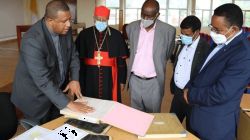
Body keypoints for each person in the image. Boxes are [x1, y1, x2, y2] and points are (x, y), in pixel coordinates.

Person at [11, 0, 93, 126]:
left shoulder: (65, 30)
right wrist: (69, 103)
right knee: (40, 132)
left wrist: (75, 79)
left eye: (69, 19)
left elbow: (73, 56)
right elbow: (43, 81)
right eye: (64, 21)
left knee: (56, 127)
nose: (68, 25)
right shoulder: (32, 41)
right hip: (35, 97)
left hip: (56, 91)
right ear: (50, 20)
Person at [183, 3, 250, 140]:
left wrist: (191, 94)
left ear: (234, 29)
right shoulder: (221, 41)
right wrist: (189, 86)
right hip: (199, 117)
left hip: (215, 127)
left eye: (217, 30)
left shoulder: (243, 54)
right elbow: (201, 71)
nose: (212, 32)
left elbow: (221, 93)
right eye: (211, 27)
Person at [126, 0, 176, 113]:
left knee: (153, 115)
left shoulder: (168, 31)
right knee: (135, 114)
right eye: (143, 14)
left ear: (157, 15)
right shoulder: (131, 27)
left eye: (149, 16)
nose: (145, 18)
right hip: (134, 80)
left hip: (154, 82)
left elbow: (167, 54)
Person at [75, 6, 128, 102]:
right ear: (94, 18)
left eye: (104, 20)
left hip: (109, 77)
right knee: (88, 102)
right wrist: (75, 78)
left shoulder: (116, 35)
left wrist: (122, 80)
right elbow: (77, 59)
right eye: (98, 19)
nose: (101, 22)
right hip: (88, 75)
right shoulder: (84, 34)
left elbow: (121, 61)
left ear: (108, 19)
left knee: (108, 104)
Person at [170, 15, 210, 132]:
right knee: (171, 125)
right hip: (178, 93)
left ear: (197, 32)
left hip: (192, 96)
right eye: (182, 33)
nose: (183, 37)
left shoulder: (205, 49)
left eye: (187, 34)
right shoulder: (182, 43)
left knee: (192, 130)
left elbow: (205, 76)